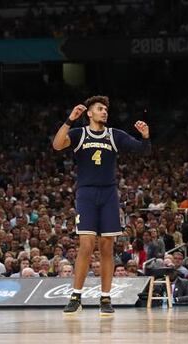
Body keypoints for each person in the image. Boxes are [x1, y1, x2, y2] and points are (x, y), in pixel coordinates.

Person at [52, 96, 151, 317]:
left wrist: (145, 137)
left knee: (107, 246)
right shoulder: (79, 134)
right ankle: (76, 296)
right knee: (86, 245)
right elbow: (57, 145)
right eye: (99, 109)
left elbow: (142, 150)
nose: (104, 112)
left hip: (108, 194)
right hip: (86, 193)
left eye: (106, 109)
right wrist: (69, 120)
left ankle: (105, 298)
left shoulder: (114, 135)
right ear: (89, 113)